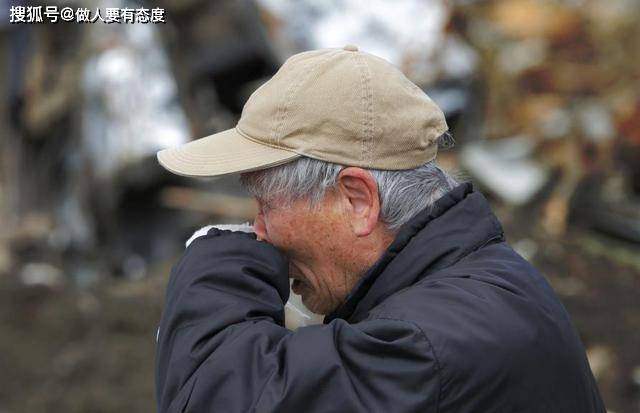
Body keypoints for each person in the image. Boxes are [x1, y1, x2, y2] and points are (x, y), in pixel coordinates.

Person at [155, 45, 605, 412]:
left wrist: (216, 262)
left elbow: (219, 395)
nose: (259, 231)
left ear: (358, 200)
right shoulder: (473, 292)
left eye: (265, 205)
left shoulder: (428, 344)